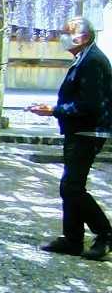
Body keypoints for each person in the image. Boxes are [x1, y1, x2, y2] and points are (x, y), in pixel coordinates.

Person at [29, 17, 112, 259]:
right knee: (70, 187)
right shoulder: (84, 58)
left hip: (88, 132)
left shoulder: (93, 61)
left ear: (83, 37)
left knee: (72, 187)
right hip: (79, 131)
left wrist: (54, 110)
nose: (63, 36)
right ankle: (72, 239)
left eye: (68, 32)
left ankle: (105, 233)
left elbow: (90, 105)